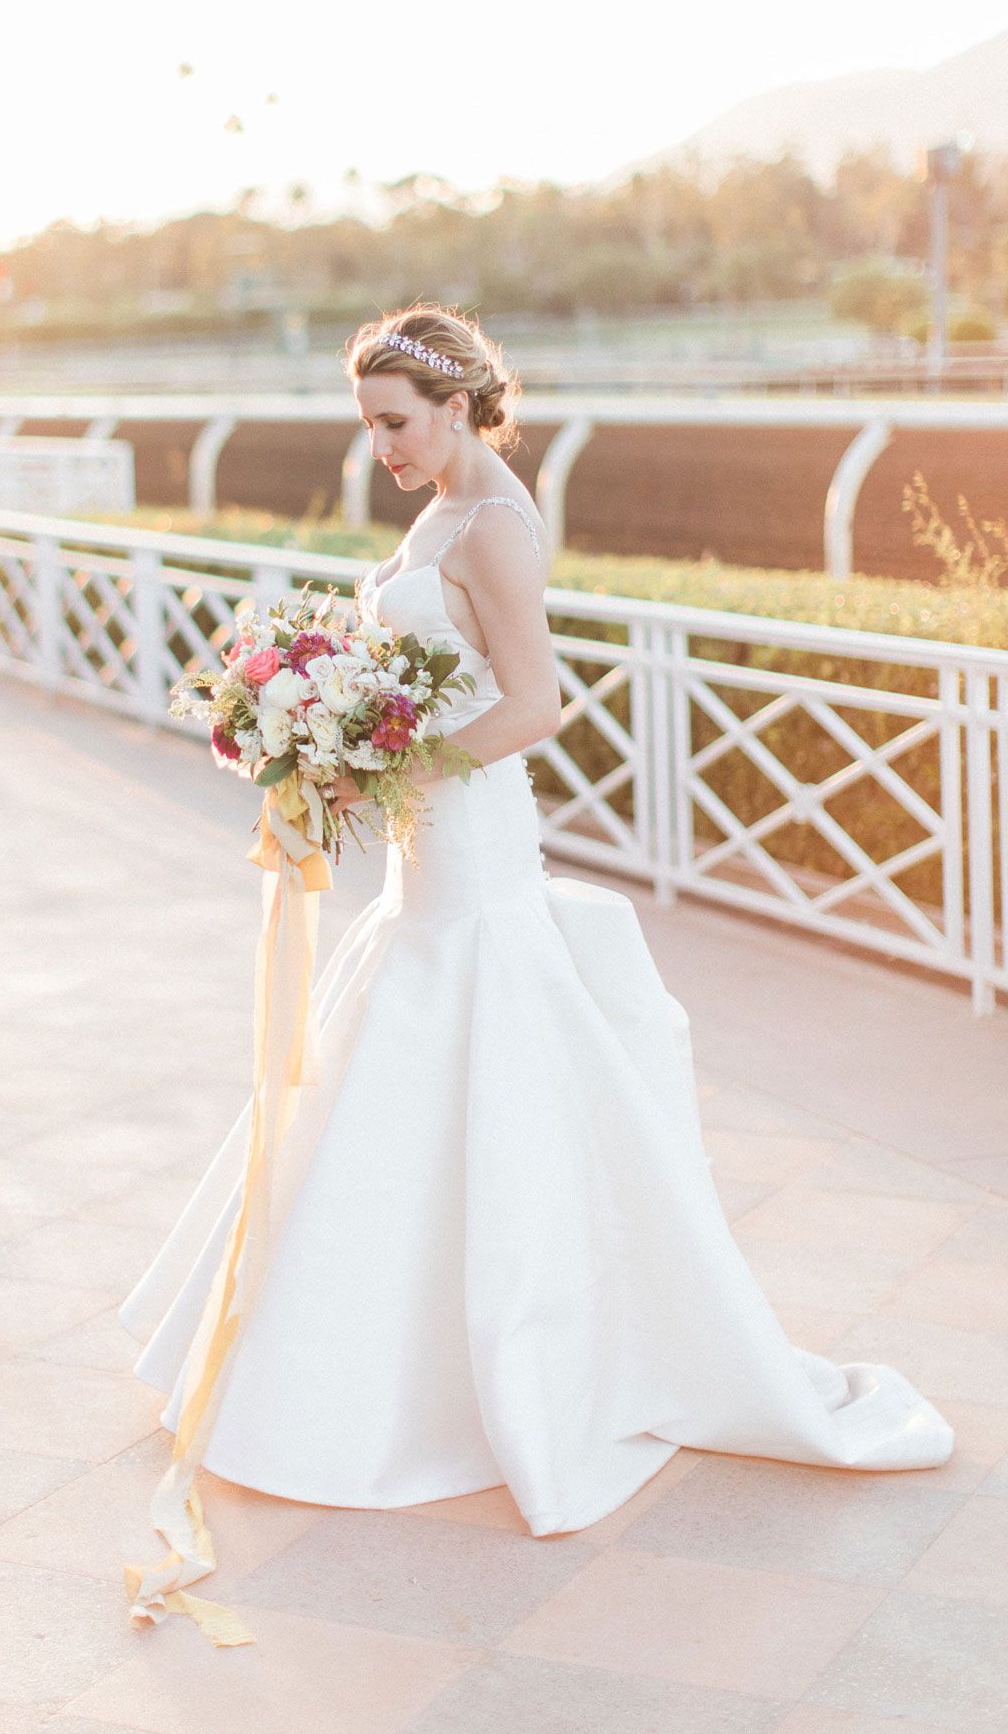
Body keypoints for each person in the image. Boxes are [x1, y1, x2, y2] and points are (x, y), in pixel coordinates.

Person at [118, 303, 953, 1554]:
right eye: (370, 425)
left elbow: (537, 708)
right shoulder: (444, 506)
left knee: (478, 1072)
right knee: (394, 1081)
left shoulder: (497, 521)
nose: (380, 447)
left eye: (395, 423)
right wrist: (338, 726)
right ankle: (359, 1368)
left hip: (472, 849)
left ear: (457, 408)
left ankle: (501, 1376)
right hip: (426, 859)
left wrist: (378, 761)